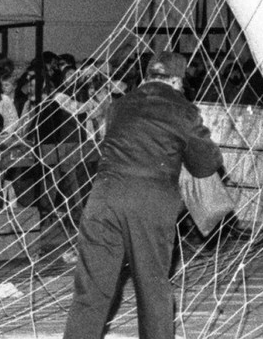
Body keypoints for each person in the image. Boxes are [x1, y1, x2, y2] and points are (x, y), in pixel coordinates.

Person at [62, 50, 223, 339]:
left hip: (104, 199)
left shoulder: (119, 106)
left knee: (91, 292)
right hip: (151, 204)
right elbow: (205, 165)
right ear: (176, 81)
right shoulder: (183, 109)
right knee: (153, 288)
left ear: (149, 76)